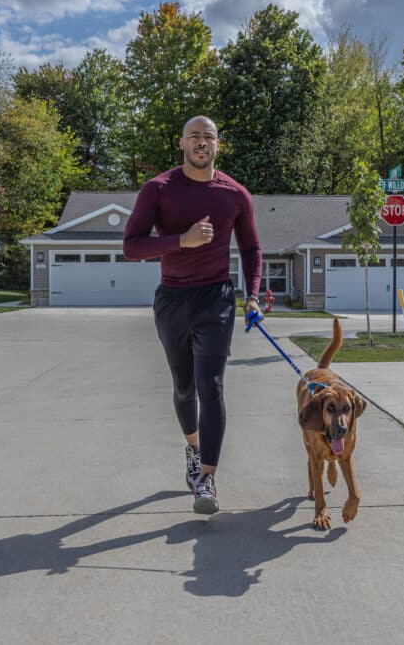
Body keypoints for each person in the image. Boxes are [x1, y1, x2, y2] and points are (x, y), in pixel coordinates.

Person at [123, 115, 262, 515]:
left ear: (219, 145)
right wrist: (180, 241)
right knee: (184, 388)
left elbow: (251, 250)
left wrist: (251, 297)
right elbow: (131, 246)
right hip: (172, 300)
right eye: (195, 137)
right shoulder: (159, 189)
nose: (202, 143)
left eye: (209, 137)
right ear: (182, 143)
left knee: (212, 388)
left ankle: (206, 479)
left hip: (216, 298)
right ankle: (194, 448)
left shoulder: (235, 194)